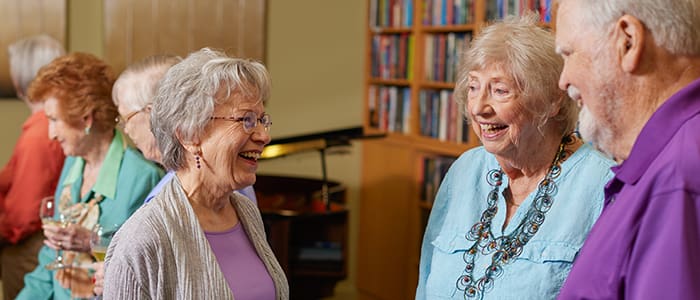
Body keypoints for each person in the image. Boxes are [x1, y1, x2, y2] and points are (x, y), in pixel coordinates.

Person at [416, 15, 615, 300]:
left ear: (552, 99)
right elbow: (425, 283)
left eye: (500, 90)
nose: (479, 108)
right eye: (473, 87)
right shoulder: (465, 170)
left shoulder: (602, 184)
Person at [103, 48, 288, 299]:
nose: (264, 136)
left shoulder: (246, 212)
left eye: (261, 120)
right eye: (246, 120)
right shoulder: (143, 238)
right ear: (190, 136)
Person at [555, 0, 700, 299]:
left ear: (628, 41)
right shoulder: (664, 162)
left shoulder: (678, 179)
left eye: (569, 54)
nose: (563, 80)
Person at [16, 52, 164, 300]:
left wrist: (94, 242)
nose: (51, 134)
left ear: (85, 119)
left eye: (54, 120)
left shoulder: (142, 177)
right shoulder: (73, 165)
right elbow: (50, 260)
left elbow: (143, 270)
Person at [0, 34, 66, 300]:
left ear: (19, 78)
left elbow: (24, 214)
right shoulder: (45, 126)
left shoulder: (39, 133)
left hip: (27, 248)